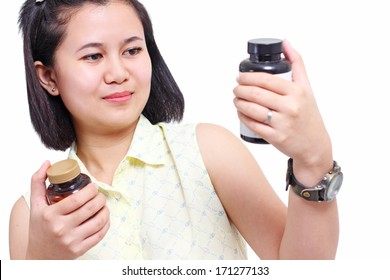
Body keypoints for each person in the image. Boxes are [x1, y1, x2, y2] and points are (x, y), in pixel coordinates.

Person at [9, 0, 340, 260]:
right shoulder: (34, 214)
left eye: (133, 50)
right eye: (94, 56)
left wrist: (313, 159)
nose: (118, 72)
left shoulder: (208, 151)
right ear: (49, 77)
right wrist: (42, 259)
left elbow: (300, 267)